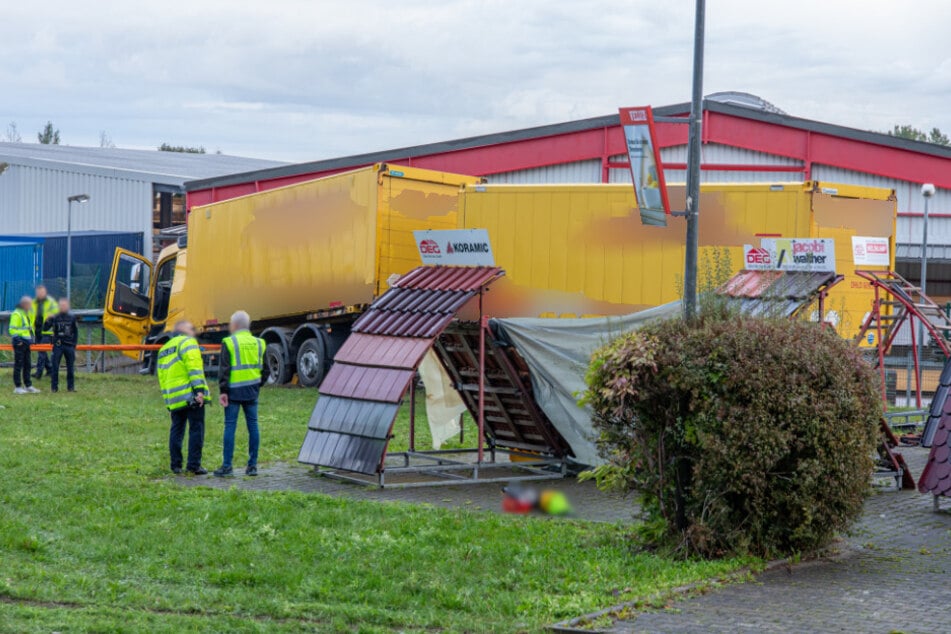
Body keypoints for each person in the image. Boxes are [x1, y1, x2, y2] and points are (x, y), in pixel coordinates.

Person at [214, 310, 264, 477]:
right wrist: (257, 385)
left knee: (230, 427)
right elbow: (266, 370)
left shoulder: (229, 342)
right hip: (252, 392)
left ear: (234, 325)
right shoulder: (259, 343)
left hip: (233, 393)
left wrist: (223, 391)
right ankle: (252, 466)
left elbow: (225, 370)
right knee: (253, 427)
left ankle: (227, 467)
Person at [157, 321, 209, 475]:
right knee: (196, 429)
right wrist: (199, 391)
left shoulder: (164, 349)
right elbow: (194, 369)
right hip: (190, 395)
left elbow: (162, 378)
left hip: (173, 397)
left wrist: (168, 402)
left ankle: (175, 465)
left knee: (176, 430)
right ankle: (193, 466)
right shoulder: (188, 343)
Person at [44, 298, 78, 393]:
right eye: (61, 305)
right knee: (55, 367)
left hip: (69, 345)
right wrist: (47, 319)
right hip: (58, 346)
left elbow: (75, 332)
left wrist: (74, 346)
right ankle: (54, 388)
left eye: (64, 305)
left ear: (67, 306)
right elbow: (45, 328)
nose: (63, 307)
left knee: (70, 367)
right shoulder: (54, 317)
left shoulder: (72, 317)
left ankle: (70, 387)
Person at [9, 296, 40, 394]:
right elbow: (12, 329)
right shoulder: (17, 314)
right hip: (20, 343)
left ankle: (28, 385)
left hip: (26, 343)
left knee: (27, 364)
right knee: (18, 364)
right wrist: (18, 341)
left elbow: (29, 328)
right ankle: (17, 387)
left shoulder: (26, 314)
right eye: (29, 304)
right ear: (25, 304)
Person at [29, 285, 57, 380]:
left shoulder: (50, 302)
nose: (40, 294)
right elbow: (30, 315)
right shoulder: (33, 303)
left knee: (41, 352)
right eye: (38, 292)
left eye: (42, 292)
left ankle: (39, 373)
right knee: (42, 352)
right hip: (37, 331)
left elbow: (56, 313)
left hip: (47, 332)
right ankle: (50, 369)